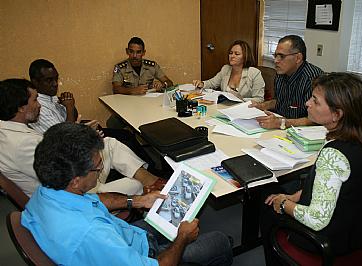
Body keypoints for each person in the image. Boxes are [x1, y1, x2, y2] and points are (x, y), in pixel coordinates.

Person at [21, 122, 233, 266]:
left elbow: (94, 200)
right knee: (220, 241)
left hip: (127, 236)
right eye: (97, 166)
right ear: (76, 179)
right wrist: (183, 238)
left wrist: (139, 201)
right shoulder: (91, 233)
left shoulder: (47, 191)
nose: (103, 166)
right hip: (143, 256)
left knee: (168, 211)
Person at [260, 73, 362, 264]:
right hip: (355, 231)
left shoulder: (334, 154)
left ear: (337, 114)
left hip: (327, 243)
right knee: (279, 194)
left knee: (267, 207)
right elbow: (329, 186)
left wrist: (283, 204)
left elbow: (316, 219)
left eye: (315, 101)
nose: (307, 103)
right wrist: (294, 196)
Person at [0, 78, 159, 196]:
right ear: (21, 107)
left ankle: (152, 180)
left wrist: (81, 136)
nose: (39, 104)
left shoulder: (8, 131)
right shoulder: (22, 144)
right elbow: (67, 177)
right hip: (72, 194)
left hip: (68, 179)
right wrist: (85, 143)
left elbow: (57, 155)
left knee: (108, 143)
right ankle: (152, 187)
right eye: (34, 100)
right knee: (137, 185)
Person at [250, 35, 323, 129]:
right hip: (281, 127)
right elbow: (280, 101)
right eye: (275, 56)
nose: (276, 61)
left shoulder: (313, 79)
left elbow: (317, 119)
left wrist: (282, 123)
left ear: (298, 58)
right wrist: (262, 106)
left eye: (281, 56)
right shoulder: (281, 73)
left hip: (302, 133)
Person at [109, 36, 174, 129]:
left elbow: (169, 82)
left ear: (143, 53)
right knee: (112, 123)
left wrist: (163, 85)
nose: (134, 56)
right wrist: (133, 90)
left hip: (148, 105)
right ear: (127, 51)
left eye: (138, 52)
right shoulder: (120, 67)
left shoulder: (152, 66)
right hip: (127, 106)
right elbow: (116, 88)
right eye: (131, 51)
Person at [193, 40, 265, 102]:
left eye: (237, 54)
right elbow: (212, 83)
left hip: (244, 110)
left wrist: (242, 99)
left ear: (245, 56)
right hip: (225, 107)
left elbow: (259, 99)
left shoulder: (254, 73)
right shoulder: (226, 69)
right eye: (231, 53)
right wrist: (202, 83)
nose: (232, 56)